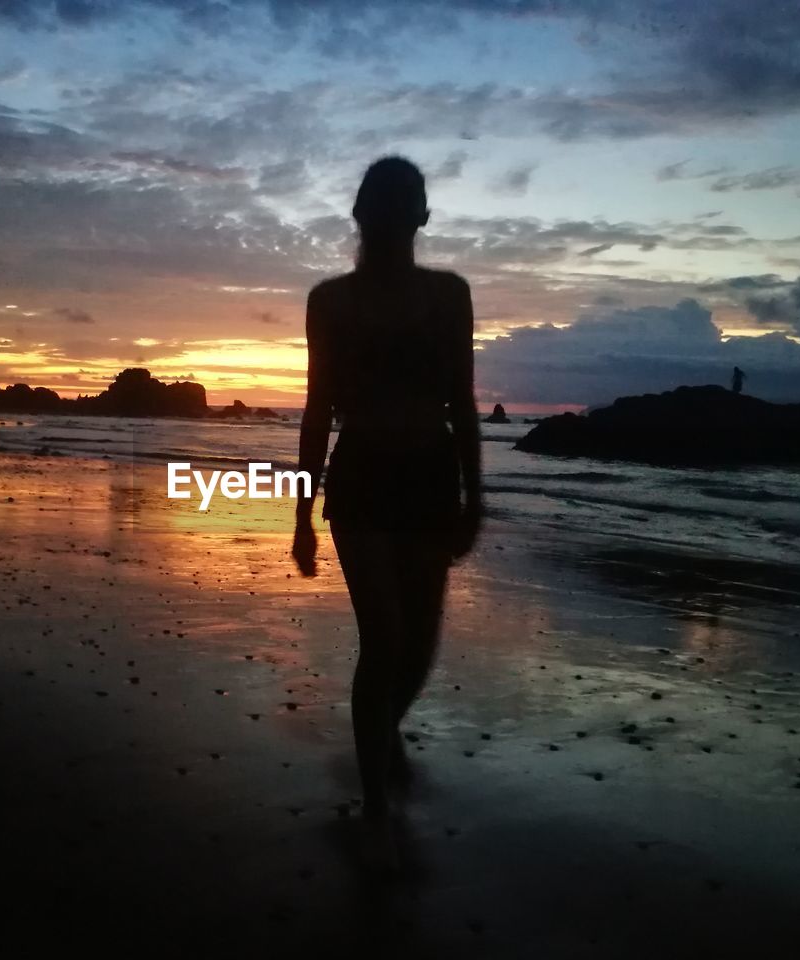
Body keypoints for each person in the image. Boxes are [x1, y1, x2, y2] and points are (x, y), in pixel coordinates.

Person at [291, 156, 482, 868]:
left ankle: (382, 730)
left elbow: (462, 403)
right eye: (386, 207)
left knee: (420, 644)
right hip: (363, 476)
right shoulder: (331, 301)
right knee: (385, 639)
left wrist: (474, 498)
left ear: (422, 219)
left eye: (407, 208)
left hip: (430, 478)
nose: (396, 221)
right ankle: (374, 802)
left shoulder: (448, 296)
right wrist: (302, 515)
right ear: (363, 216)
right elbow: (317, 409)